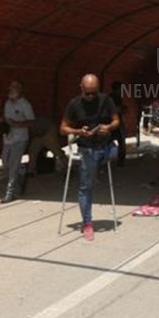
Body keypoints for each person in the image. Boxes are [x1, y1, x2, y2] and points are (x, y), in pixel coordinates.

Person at [60, 74, 120, 241]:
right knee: (86, 187)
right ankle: (87, 223)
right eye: (88, 93)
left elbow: (116, 121)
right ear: (81, 88)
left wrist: (108, 127)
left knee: (115, 153)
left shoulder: (106, 100)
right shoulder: (74, 104)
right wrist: (78, 132)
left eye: (94, 92)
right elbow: (63, 128)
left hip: (106, 145)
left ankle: (95, 170)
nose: (92, 96)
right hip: (87, 147)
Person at [0, 80, 34, 204]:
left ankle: (10, 192)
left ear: (19, 90)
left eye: (13, 88)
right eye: (10, 88)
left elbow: (31, 121)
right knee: (5, 162)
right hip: (8, 137)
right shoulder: (8, 103)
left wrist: (18, 124)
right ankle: (22, 173)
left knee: (13, 165)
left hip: (20, 138)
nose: (10, 90)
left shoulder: (25, 105)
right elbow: (6, 117)